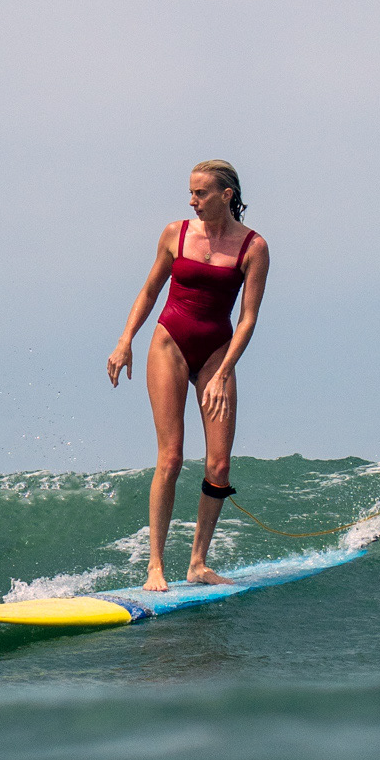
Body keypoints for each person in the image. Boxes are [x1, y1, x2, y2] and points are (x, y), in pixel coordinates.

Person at [107, 161, 270, 591]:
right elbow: (150, 291)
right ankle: (155, 566)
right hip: (170, 345)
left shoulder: (253, 247)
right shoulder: (175, 234)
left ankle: (197, 563)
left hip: (217, 351)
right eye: (191, 193)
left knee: (219, 464)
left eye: (200, 193)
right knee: (172, 457)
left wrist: (224, 371)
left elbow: (248, 318)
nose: (192, 201)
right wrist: (125, 340)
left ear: (226, 195)